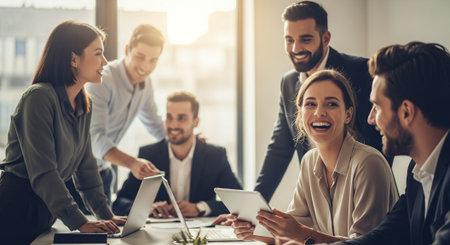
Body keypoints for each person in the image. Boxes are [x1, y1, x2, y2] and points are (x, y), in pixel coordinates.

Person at [229, 70, 398, 244]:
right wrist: (255, 232)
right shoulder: (309, 161)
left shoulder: (368, 163)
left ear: (348, 114)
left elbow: (364, 243)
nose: (319, 112)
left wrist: (300, 234)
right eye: (310, 104)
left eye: (331, 104)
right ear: (300, 114)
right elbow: (291, 235)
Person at [0, 21, 126, 244]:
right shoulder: (39, 98)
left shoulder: (83, 104)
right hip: (14, 211)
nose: (105, 62)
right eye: (98, 54)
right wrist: (80, 222)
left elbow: (86, 170)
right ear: (73, 59)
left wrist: (107, 217)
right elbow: (44, 172)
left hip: (44, 213)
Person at [315, 42, 450, 245]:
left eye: (377, 107)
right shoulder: (418, 171)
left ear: (406, 112)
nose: (370, 119)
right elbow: (383, 237)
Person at [254, 1, 384, 203]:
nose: (296, 48)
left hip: (358, 191)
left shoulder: (361, 72)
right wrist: (251, 207)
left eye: (305, 39)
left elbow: (377, 140)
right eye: (289, 40)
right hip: (315, 195)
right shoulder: (288, 82)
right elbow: (280, 148)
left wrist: (367, 187)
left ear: (326, 38)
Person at [67, 24, 166, 210]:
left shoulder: (146, 85)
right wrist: (133, 164)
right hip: (74, 178)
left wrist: (189, 140)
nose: (145, 66)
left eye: (153, 60)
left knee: (109, 234)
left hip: (103, 174)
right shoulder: (101, 78)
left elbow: (156, 125)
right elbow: (95, 139)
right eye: (140, 56)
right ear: (127, 50)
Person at [112, 91, 242, 217]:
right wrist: (146, 209)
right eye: (169, 117)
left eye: (182, 118)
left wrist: (199, 208)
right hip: (157, 233)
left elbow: (238, 201)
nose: (173, 124)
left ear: (195, 121)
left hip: (201, 234)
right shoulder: (149, 154)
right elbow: (120, 202)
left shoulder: (215, 156)